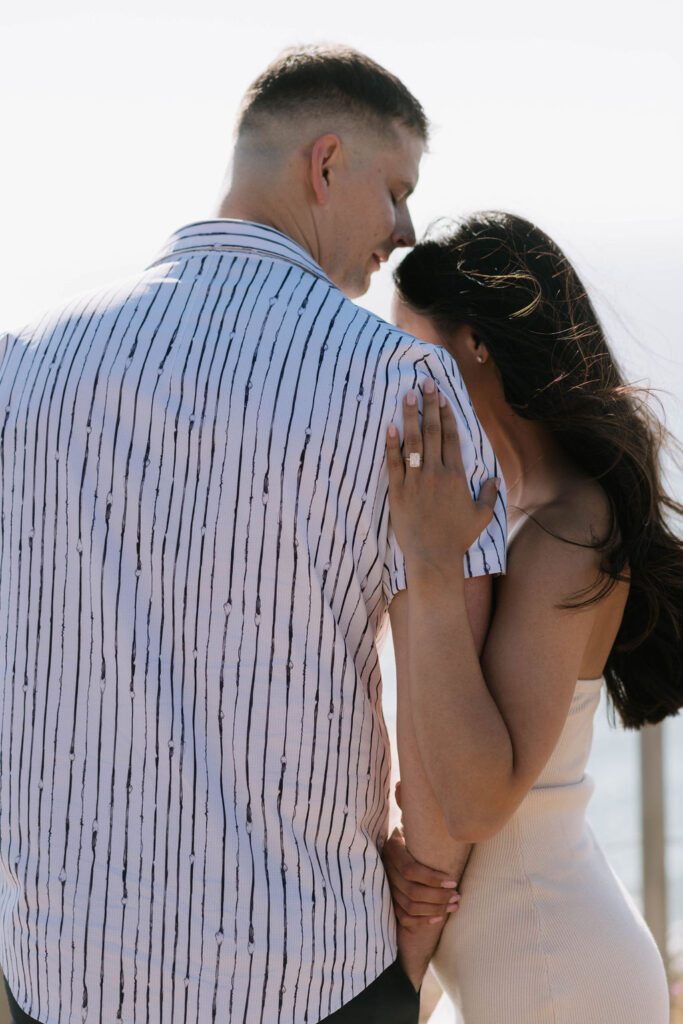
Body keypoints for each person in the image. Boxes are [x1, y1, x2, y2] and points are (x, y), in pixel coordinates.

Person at [0, 49, 506, 1024]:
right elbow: (447, 775)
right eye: (395, 190)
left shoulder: (23, 365)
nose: (402, 232)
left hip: (59, 973)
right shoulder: (400, 390)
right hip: (308, 979)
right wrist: (412, 937)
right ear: (324, 165)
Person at [382, 211, 682, 1022]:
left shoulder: (565, 528)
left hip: (554, 975)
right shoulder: (517, 512)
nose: (400, 380)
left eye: (410, 351)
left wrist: (431, 565)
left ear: (475, 345)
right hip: (522, 962)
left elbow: (482, 802)